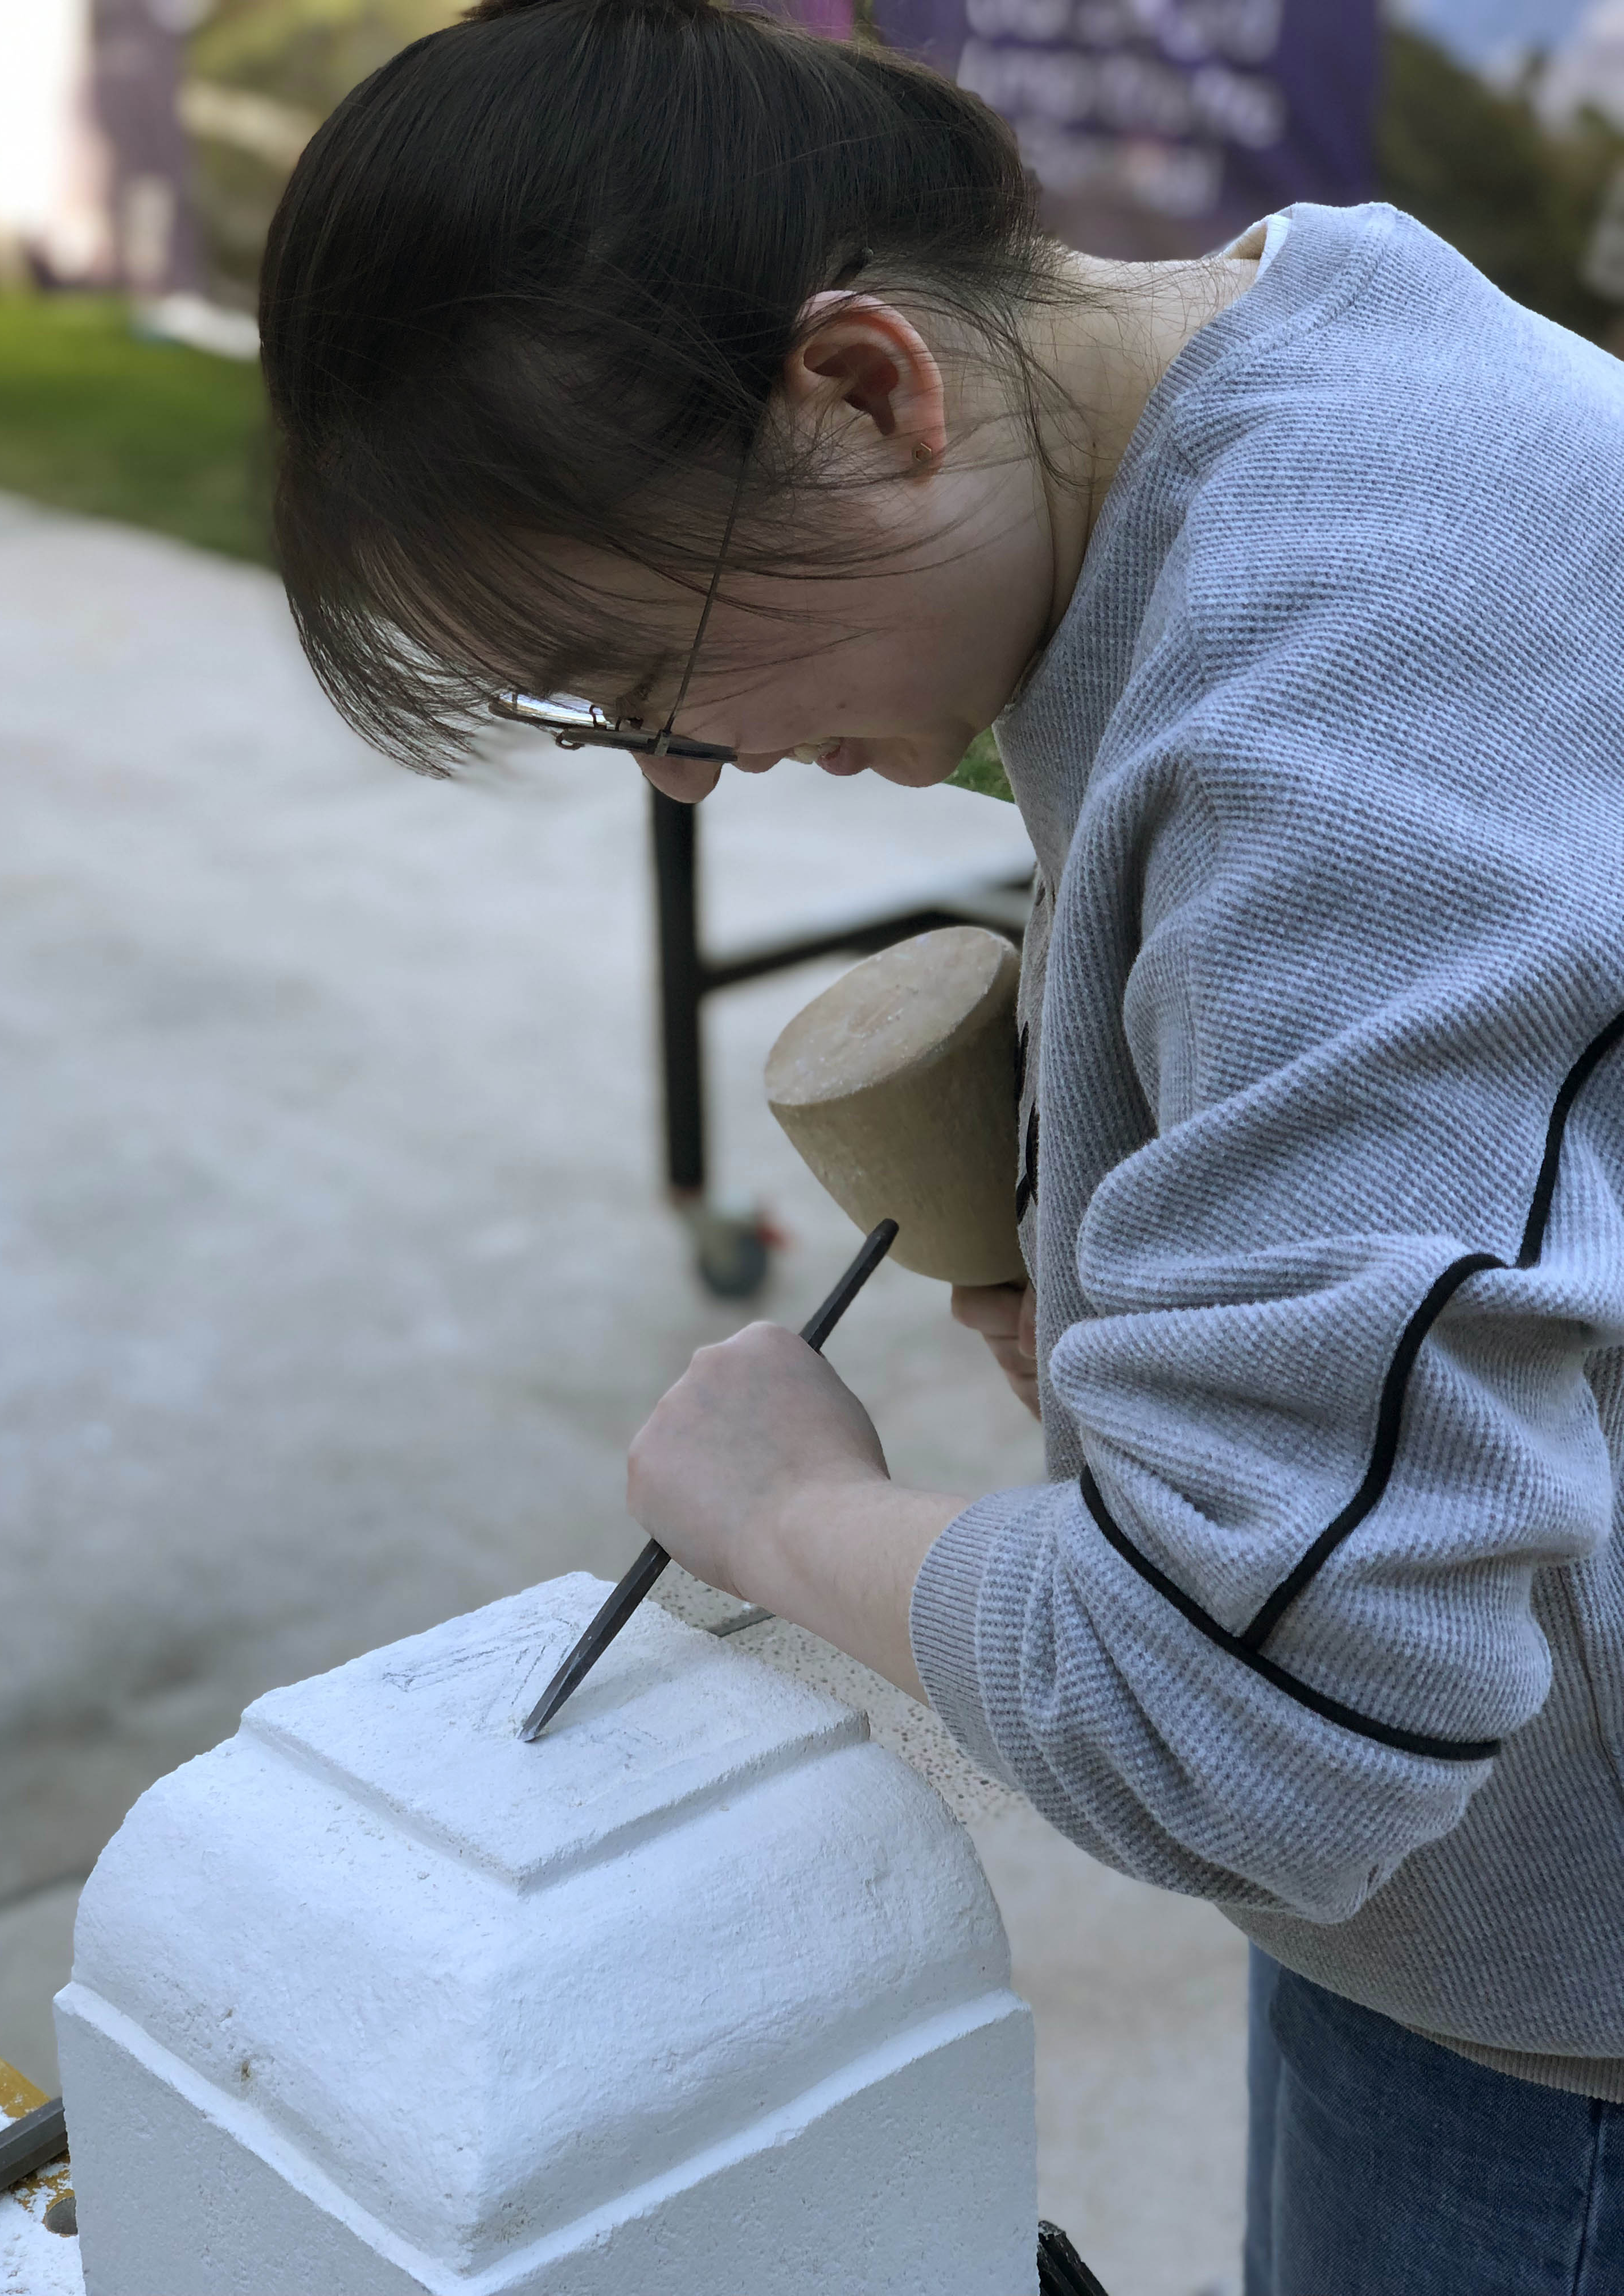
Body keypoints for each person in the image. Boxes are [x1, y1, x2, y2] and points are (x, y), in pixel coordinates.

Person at [256, 3, 1624, 2287]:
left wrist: (787, 1505)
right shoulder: (1314, 360)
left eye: (644, 664)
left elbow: (1259, 1726)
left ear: (868, 389)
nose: (684, 769)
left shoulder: (1343, 700)